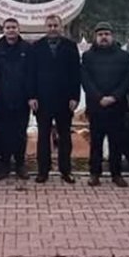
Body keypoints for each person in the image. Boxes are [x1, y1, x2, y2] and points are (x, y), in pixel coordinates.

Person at [28, 14, 81, 184]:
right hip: (42, 99)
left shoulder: (70, 46)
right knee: (43, 136)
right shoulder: (36, 47)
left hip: (65, 100)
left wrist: (75, 96)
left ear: (61, 27)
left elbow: (76, 73)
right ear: (45, 27)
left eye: (55, 25)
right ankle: (43, 171)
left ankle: (66, 171)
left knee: (65, 136)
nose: (52, 28)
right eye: (49, 25)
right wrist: (32, 96)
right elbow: (31, 73)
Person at [81, 21, 129, 186]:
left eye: (106, 34)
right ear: (95, 37)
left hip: (117, 107)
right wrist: (99, 98)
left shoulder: (123, 56)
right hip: (96, 107)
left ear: (112, 36)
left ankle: (116, 174)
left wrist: (114, 97)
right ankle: (94, 173)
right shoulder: (88, 56)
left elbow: (128, 79)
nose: (104, 37)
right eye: (100, 34)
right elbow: (85, 80)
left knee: (116, 142)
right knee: (96, 142)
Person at [0, 18, 32, 180]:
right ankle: (5, 164)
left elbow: (31, 74)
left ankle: (20, 164)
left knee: (20, 133)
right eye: (8, 27)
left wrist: (30, 95)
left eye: (13, 27)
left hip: (22, 99)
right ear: (3, 29)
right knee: (3, 133)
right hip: (2, 98)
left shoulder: (27, 48)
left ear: (18, 29)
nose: (11, 30)